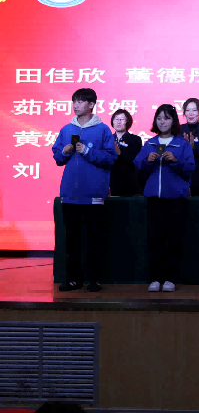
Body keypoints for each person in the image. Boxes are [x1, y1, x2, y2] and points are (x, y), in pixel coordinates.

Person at [51, 88, 117, 293]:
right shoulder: (66, 129)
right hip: (70, 194)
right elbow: (57, 157)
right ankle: (73, 279)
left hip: (93, 195)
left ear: (91, 105)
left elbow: (110, 158)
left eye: (80, 101)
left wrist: (87, 151)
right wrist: (64, 151)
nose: (76, 105)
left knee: (94, 239)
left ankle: (94, 279)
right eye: (74, 101)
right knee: (72, 240)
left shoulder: (103, 130)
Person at [134, 104, 195, 293]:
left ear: (173, 121)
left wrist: (176, 161)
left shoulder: (182, 144)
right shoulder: (150, 143)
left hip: (175, 198)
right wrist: (147, 160)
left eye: (167, 118)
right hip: (154, 198)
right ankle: (155, 278)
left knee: (174, 239)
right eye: (159, 118)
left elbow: (190, 168)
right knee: (155, 239)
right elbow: (137, 165)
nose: (162, 122)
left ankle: (170, 278)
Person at [108, 108, 142, 196]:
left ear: (128, 121)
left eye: (122, 119)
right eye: (116, 119)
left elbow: (135, 161)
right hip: (109, 182)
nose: (119, 122)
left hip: (128, 183)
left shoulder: (135, 139)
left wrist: (119, 153)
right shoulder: (107, 139)